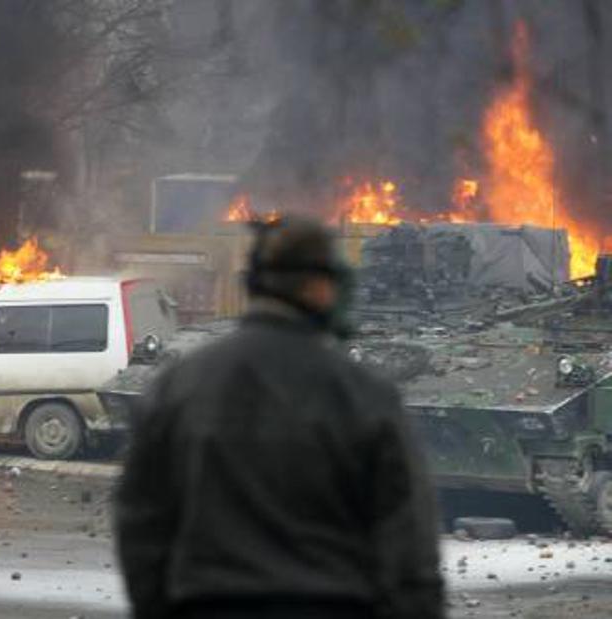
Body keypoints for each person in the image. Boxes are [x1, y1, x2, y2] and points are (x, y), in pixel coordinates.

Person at [115, 217, 443, 619]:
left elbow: (141, 523)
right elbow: (409, 550)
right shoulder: (364, 395)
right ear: (318, 287)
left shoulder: (178, 386)